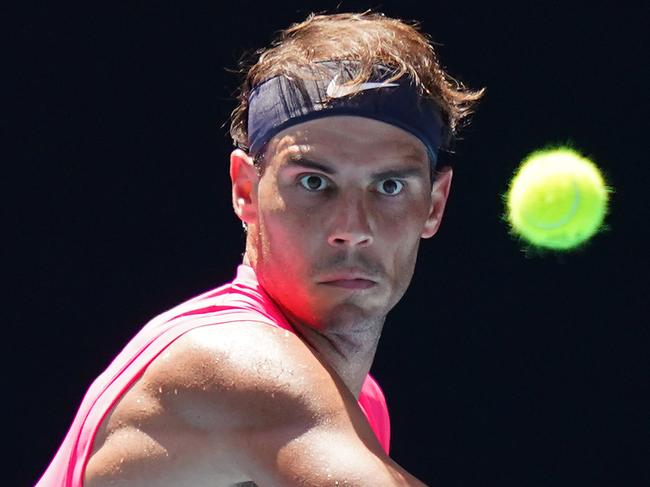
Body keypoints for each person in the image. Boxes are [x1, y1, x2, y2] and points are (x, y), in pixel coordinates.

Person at [36, 11, 483, 486]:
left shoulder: (362, 404)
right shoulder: (232, 360)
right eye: (314, 182)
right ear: (246, 190)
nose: (353, 228)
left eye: (390, 186)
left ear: (434, 205)